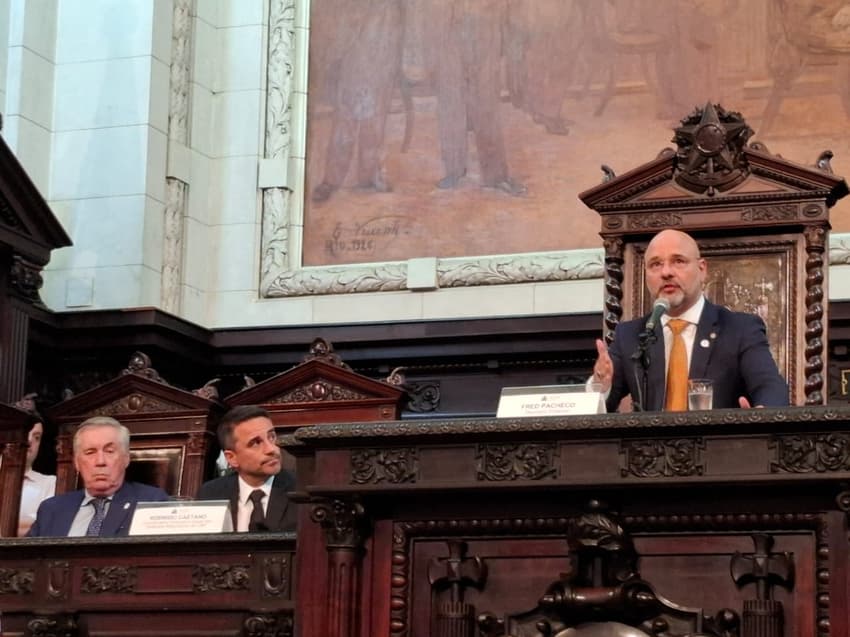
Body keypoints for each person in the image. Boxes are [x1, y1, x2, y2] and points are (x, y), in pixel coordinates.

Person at [592, 229, 789, 412]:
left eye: (678, 261)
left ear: (702, 269)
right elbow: (601, 404)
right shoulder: (631, 335)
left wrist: (761, 415)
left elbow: (770, 387)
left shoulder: (739, 329)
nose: (666, 272)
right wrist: (601, 385)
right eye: (656, 264)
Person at [27, 416, 168, 537]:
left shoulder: (151, 503)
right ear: (77, 462)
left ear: (126, 459)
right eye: (90, 452)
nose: (100, 461)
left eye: (109, 451)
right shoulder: (51, 509)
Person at [196, 405, 296, 532]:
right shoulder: (210, 495)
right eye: (256, 443)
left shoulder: (302, 492)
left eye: (271, 437)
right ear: (232, 458)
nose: (272, 449)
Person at [18, 412, 56, 536]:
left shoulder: (50, 483)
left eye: (36, 437)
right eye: (24, 433)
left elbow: (45, 527)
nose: (29, 440)